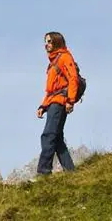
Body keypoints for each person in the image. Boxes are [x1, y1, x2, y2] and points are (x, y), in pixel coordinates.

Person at [36, 32, 78, 175]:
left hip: (59, 103)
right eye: (45, 42)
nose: (46, 45)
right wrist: (43, 106)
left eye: (49, 41)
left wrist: (70, 100)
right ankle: (71, 172)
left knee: (48, 135)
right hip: (53, 102)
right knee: (58, 139)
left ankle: (44, 172)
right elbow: (50, 90)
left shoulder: (65, 57)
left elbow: (73, 79)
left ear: (57, 42)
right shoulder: (53, 62)